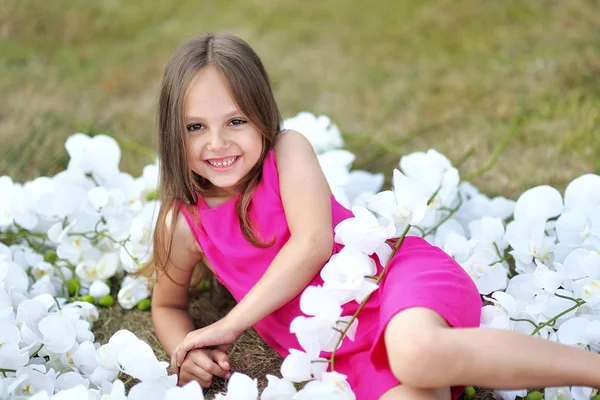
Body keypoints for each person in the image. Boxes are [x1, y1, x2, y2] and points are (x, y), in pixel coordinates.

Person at [148, 33, 600, 400]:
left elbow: (311, 247)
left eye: (235, 121)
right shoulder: (183, 225)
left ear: (262, 117)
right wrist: (184, 350)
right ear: (173, 132)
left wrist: (228, 325)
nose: (217, 143)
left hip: (390, 282)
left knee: (417, 354)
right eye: (195, 127)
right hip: (338, 347)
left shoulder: (287, 152)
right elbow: (167, 305)